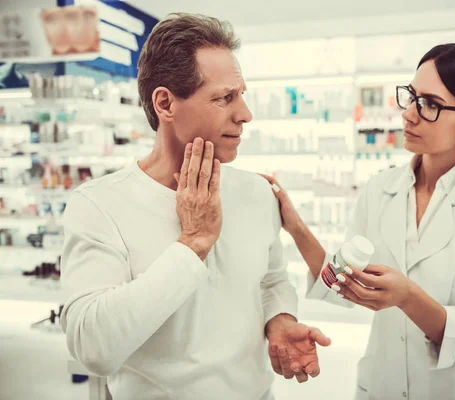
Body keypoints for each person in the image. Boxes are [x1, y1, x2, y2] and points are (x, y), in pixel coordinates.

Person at [59, 13, 330, 400]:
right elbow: (93, 348)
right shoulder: (99, 205)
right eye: (224, 98)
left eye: (242, 94)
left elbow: (271, 280)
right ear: (165, 103)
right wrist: (193, 243)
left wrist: (280, 319)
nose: (245, 114)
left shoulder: (256, 192)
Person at [262, 43, 455, 400]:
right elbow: (341, 280)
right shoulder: (381, 188)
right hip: (382, 383)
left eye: (431, 105)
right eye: (411, 97)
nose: (409, 114)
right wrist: (295, 226)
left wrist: (408, 297)